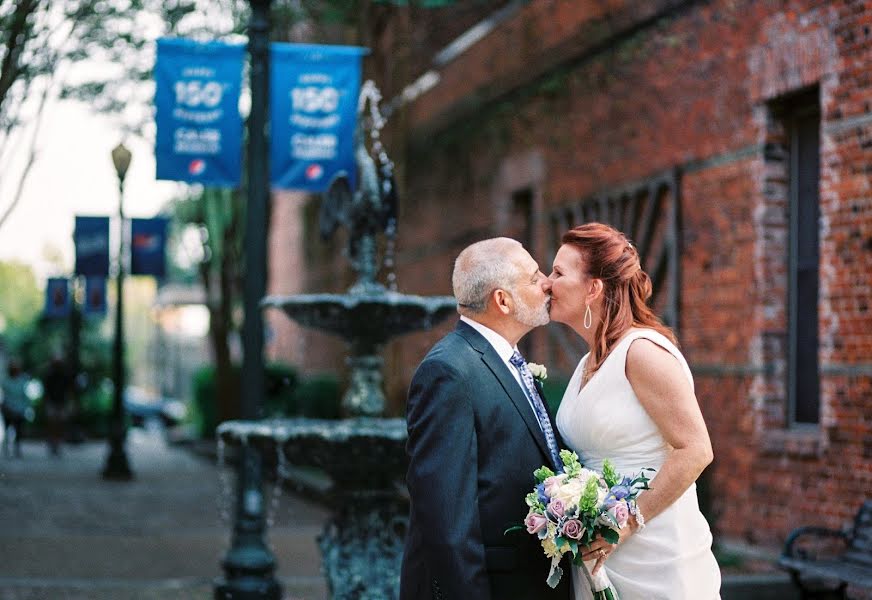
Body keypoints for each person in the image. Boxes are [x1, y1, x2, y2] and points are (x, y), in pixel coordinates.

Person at [548, 223, 720, 599]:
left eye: (558, 273)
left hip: (656, 558)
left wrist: (624, 525)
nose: (547, 284)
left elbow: (695, 450)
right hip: (602, 559)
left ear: (593, 288)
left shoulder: (641, 351)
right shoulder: (587, 363)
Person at [400, 237, 570, 600]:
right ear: (502, 300)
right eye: (532, 276)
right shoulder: (448, 372)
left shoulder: (508, 360)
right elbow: (447, 522)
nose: (546, 282)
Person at [1, 360, 31, 458]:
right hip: (8, 410)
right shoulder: (5, 381)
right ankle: (6, 448)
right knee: (7, 429)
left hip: (19, 410)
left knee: (19, 430)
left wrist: (26, 408)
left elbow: (25, 396)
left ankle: (17, 449)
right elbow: (4, 396)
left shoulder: (22, 381)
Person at [43, 357, 72, 456]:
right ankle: (53, 442)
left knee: (59, 423)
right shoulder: (49, 375)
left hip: (61, 402)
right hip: (53, 402)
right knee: (53, 423)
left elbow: (68, 389)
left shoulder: (64, 375)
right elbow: (46, 390)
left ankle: (57, 442)